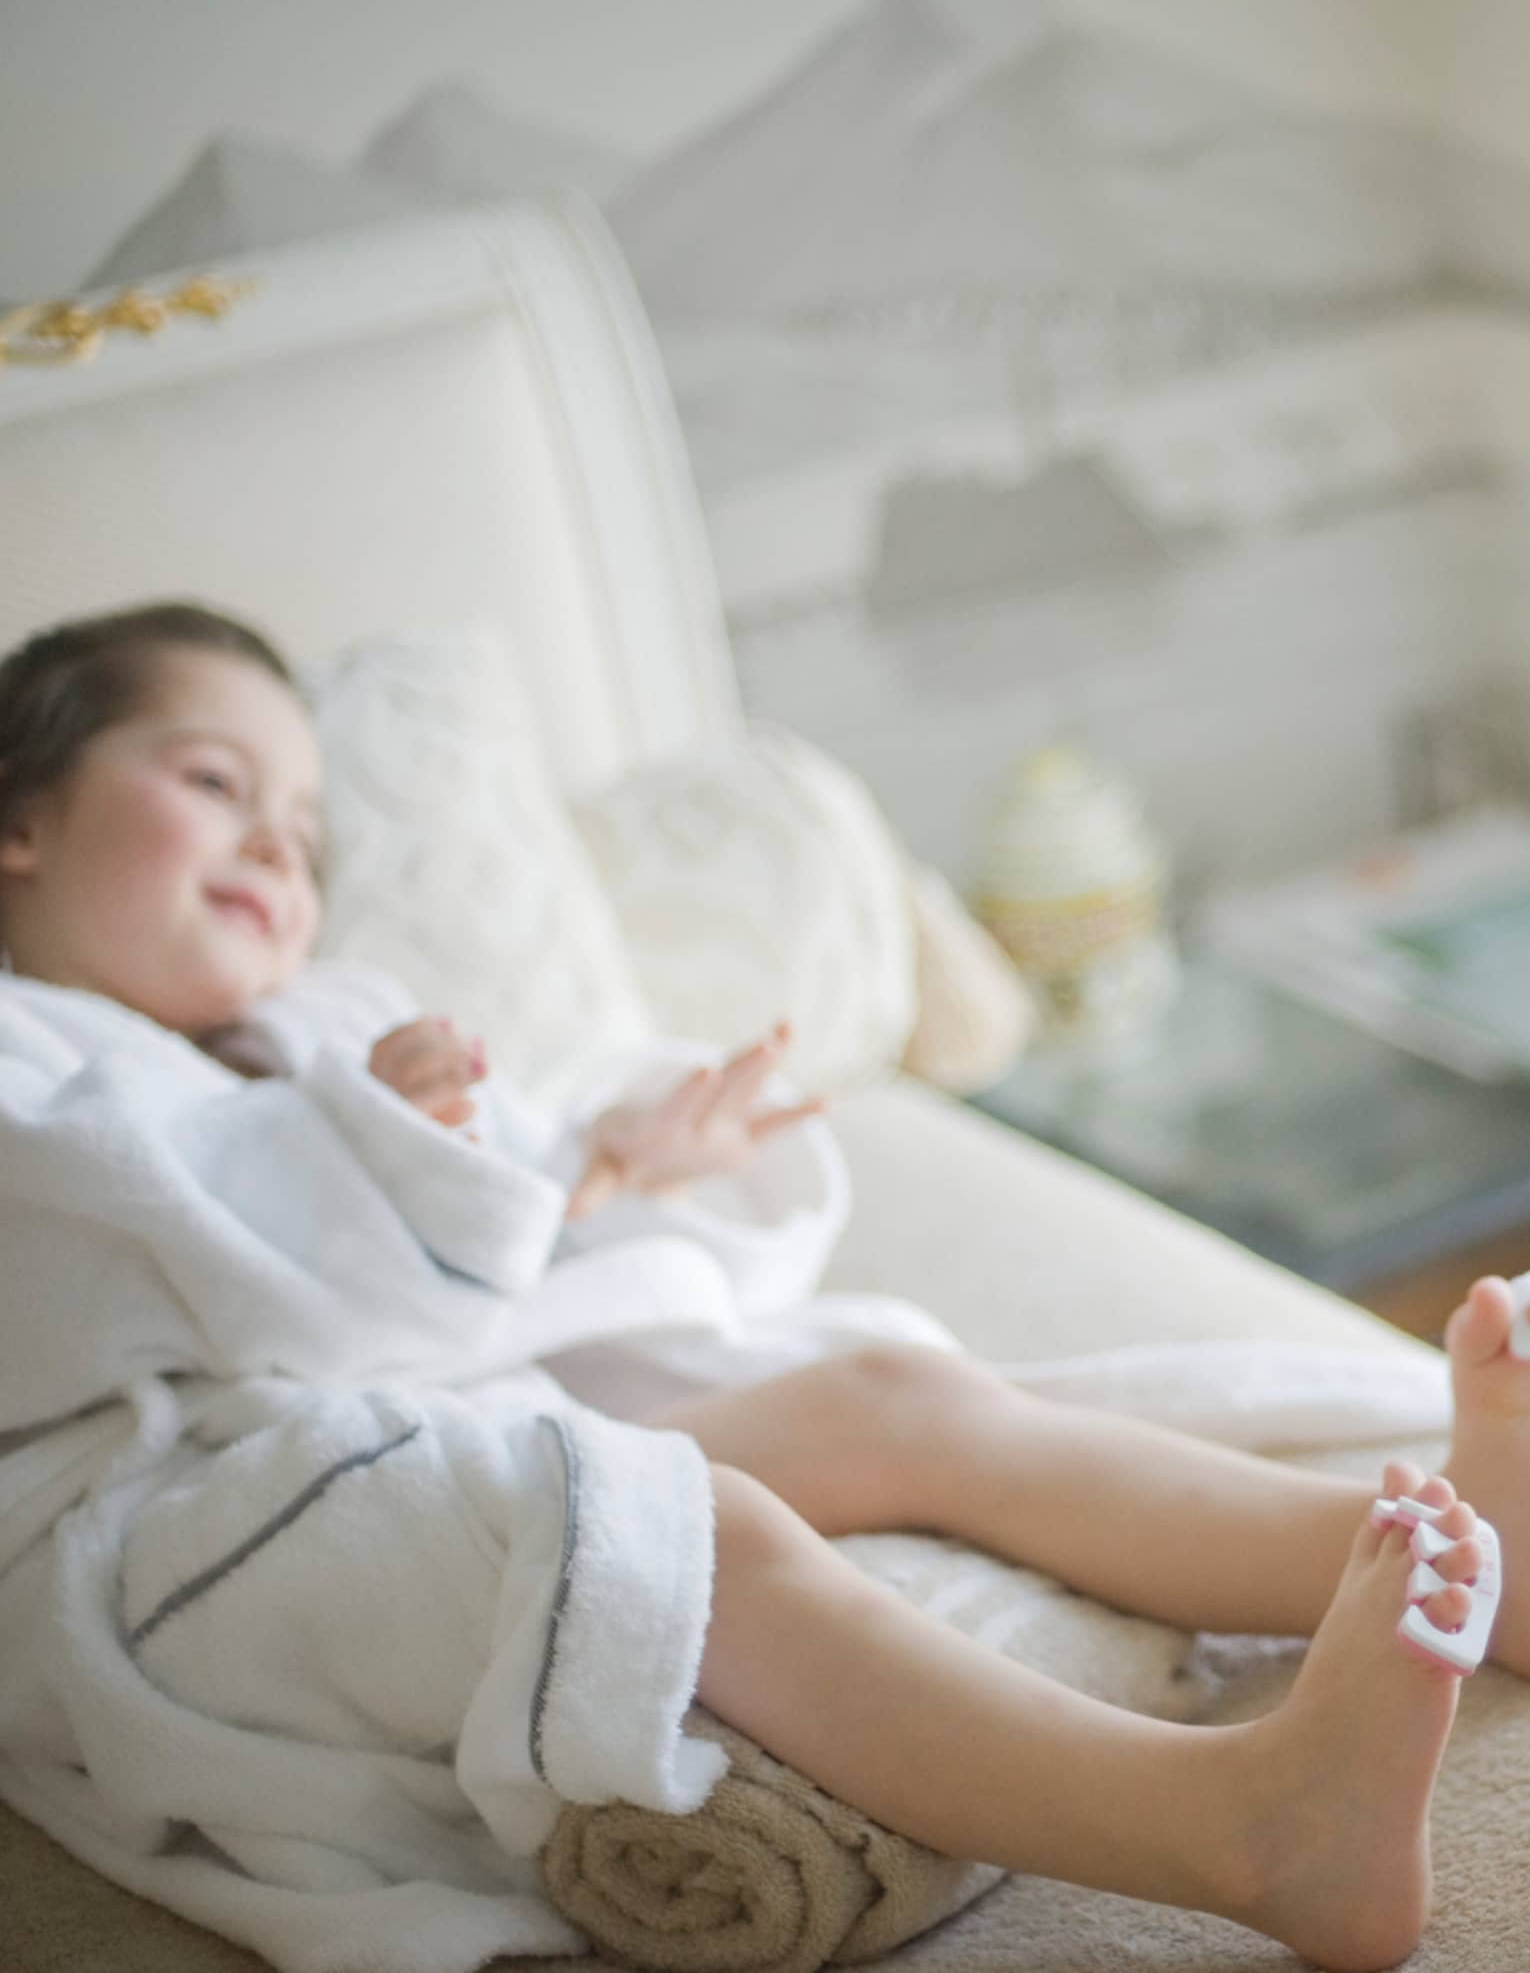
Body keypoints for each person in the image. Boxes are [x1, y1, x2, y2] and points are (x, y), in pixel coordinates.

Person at [0, 601, 1523, 1973]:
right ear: (20, 817)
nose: (279, 847)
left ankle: (1488, 1568)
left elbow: (462, 1260)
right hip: (178, 1527)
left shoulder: (321, 1031)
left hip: (427, 1415)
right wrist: (376, 1143)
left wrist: (604, 1165)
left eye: (306, 829)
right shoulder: (27, 1053)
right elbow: (150, 1264)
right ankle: (1246, 1831)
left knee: (891, 1394)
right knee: (677, 1529)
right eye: (216, 784)